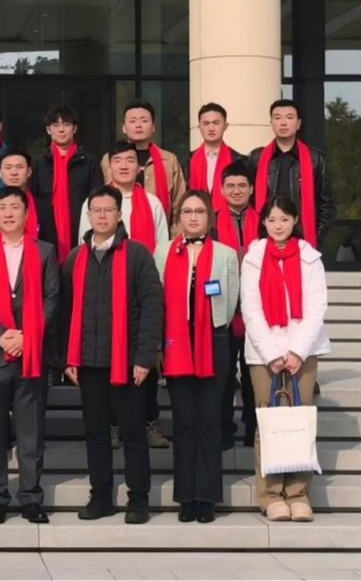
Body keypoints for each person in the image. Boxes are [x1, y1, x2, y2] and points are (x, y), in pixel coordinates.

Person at [64, 186, 163, 525]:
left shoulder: (137, 255)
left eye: (109, 210)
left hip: (128, 362)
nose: (102, 216)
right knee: (96, 434)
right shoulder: (75, 258)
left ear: (120, 215)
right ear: (89, 215)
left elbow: (152, 308)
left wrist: (145, 357)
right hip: (89, 363)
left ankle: (139, 499)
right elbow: (66, 311)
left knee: (133, 433)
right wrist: (68, 358)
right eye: (97, 210)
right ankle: (101, 496)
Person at [0, 187, 60, 525]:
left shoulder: (45, 251)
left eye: (14, 207)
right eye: (2, 207)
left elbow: (52, 297)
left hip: (31, 351)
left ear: (26, 212)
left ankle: (31, 497)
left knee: (30, 428)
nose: (8, 213)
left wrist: (27, 336)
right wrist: (0, 335)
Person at [240, 195, 329, 523]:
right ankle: (271, 495)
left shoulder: (310, 257)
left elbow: (317, 306)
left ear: (295, 221)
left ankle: (299, 493)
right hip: (265, 355)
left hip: (303, 352)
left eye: (284, 219)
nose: (278, 225)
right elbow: (250, 308)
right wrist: (273, 353)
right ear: (263, 222)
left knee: (300, 423)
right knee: (269, 425)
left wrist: (296, 351)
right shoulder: (253, 257)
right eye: (272, 219)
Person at [154, 190, 240, 524]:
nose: (193, 217)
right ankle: (186, 497)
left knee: (210, 422)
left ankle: (208, 496)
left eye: (199, 212)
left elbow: (230, 302)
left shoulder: (226, 254)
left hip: (213, 342)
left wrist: (208, 326)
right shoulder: (163, 252)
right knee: (184, 422)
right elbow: (157, 298)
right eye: (187, 212)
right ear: (178, 218)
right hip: (176, 344)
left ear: (210, 218)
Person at [213, 160, 260, 448]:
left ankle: (253, 428)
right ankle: (223, 429)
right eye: (230, 185)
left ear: (252, 188)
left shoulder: (264, 221)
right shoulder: (212, 222)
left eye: (242, 185)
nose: (236, 190)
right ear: (221, 189)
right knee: (225, 373)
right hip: (223, 310)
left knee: (253, 374)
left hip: (257, 311)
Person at [247, 99, 334, 248]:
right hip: (266, 241)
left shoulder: (315, 159)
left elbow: (327, 205)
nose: (283, 123)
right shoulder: (256, 158)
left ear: (298, 123)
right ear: (271, 123)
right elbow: (248, 201)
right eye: (278, 118)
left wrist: (314, 238)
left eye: (289, 117)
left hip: (303, 242)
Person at [31, 105, 105, 265]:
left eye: (66, 124)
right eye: (55, 125)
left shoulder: (89, 162)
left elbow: (98, 200)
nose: (61, 130)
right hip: (46, 235)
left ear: (75, 128)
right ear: (48, 130)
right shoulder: (38, 163)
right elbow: (32, 202)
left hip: (81, 233)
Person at [101, 100, 187, 231]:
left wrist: (174, 239)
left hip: (159, 232)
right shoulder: (109, 160)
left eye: (144, 121)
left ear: (153, 127)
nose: (138, 125)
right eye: (132, 121)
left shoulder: (169, 160)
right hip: (116, 233)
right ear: (123, 127)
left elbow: (179, 204)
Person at [82, 141, 171, 253]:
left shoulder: (153, 203)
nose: (123, 166)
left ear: (139, 168)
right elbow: (84, 243)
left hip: (144, 263)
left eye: (130, 160)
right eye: (117, 161)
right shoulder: (95, 201)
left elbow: (162, 248)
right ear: (109, 167)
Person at [0, 148, 58, 245]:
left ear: (29, 172)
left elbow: (50, 248)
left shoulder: (44, 209)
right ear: (0, 173)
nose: (14, 173)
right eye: (8, 168)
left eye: (19, 167)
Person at [189, 103, 244, 199]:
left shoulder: (238, 160)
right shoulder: (189, 160)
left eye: (216, 123)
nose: (211, 129)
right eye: (206, 124)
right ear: (199, 127)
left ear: (225, 126)